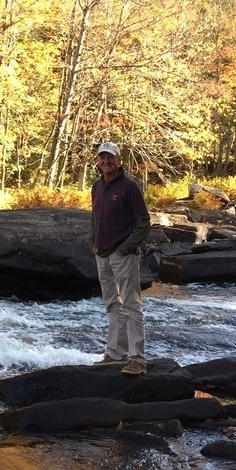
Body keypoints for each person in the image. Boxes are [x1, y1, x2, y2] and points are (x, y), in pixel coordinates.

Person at [89, 141, 151, 376]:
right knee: (112, 305)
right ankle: (116, 354)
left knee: (132, 307)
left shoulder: (129, 187)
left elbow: (143, 222)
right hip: (102, 255)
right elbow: (93, 218)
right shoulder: (96, 186)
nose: (106, 161)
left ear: (119, 160)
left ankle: (137, 359)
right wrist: (92, 243)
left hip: (122, 256)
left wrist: (124, 249)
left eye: (110, 157)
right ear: (98, 161)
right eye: (102, 157)